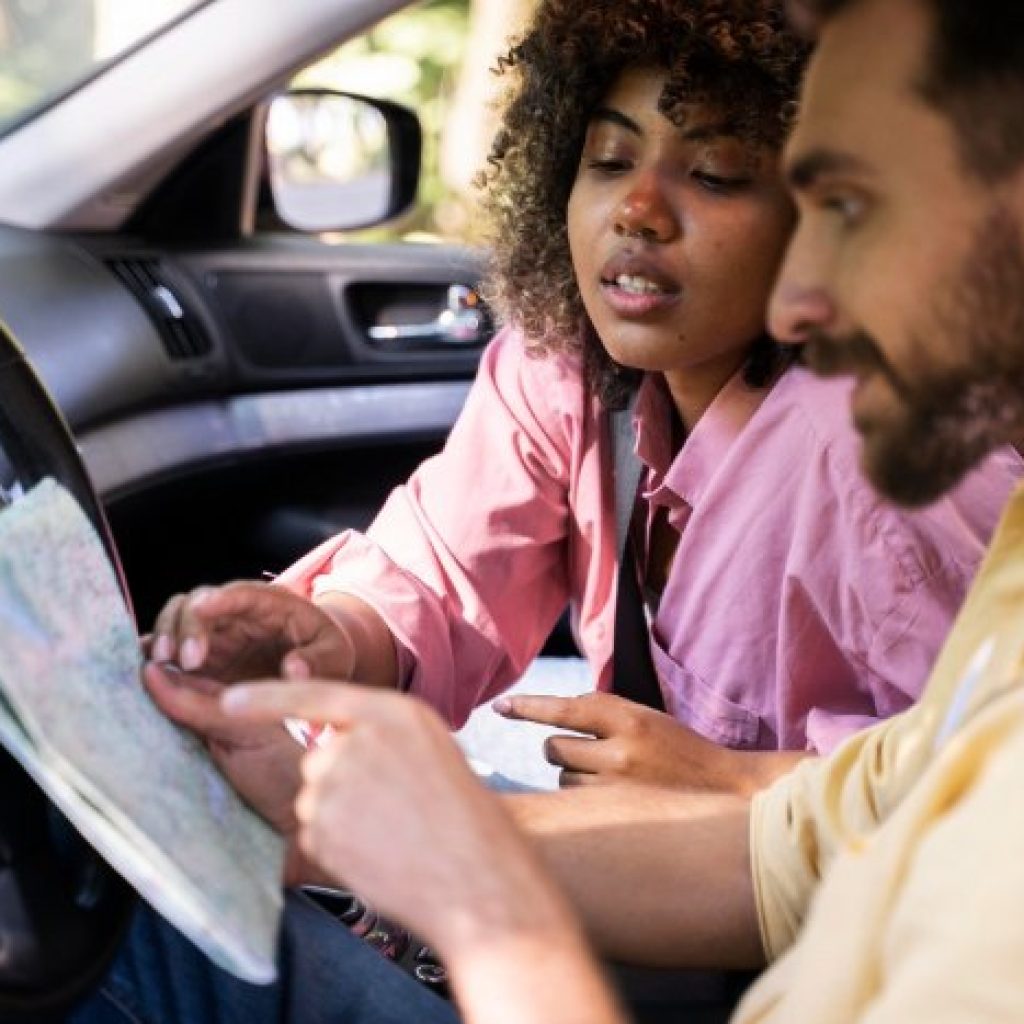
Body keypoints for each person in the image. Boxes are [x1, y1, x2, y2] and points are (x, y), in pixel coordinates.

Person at [69, 0, 1024, 1021]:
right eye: (607, 161)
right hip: (688, 900)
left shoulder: (890, 456)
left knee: (124, 942)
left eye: (717, 174)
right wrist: (328, 685)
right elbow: (811, 839)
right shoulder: (569, 365)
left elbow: (855, 840)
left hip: (718, 955)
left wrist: (723, 781)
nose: (639, 210)